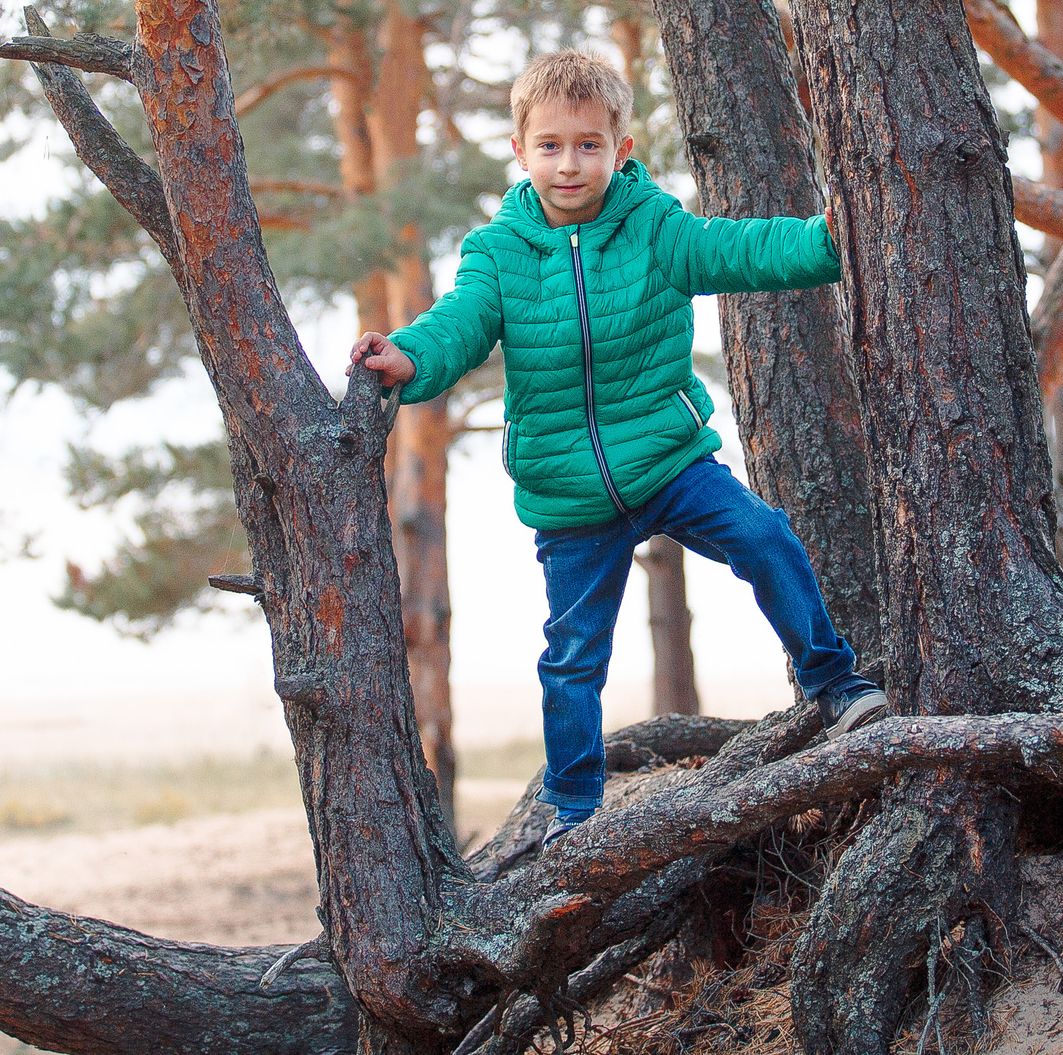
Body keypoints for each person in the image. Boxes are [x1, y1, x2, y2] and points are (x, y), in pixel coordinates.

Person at [348, 48, 887, 843]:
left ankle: (834, 683)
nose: (571, 164)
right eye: (552, 145)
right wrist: (410, 358)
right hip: (570, 495)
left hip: (669, 462)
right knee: (572, 655)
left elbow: (734, 250)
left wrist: (827, 240)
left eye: (590, 144)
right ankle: (572, 807)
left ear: (622, 150)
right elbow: (458, 323)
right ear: (520, 151)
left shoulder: (653, 227)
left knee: (764, 535)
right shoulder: (498, 254)